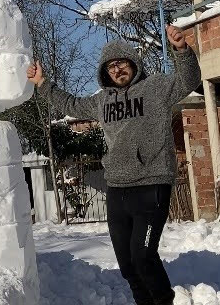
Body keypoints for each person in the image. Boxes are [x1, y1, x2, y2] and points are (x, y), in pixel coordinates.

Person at [27, 25, 200, 305]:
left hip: (151, 183)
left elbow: (188, 80)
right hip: (117, 188)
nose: (116, 70)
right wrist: (42, 84)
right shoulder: (102, 100)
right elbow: (71, 104)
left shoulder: (155, 88)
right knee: (128, 265)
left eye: (121, 63)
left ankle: (164, 300)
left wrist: (181, 49)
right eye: (110, 67)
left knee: (143, 255)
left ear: (133, 63)